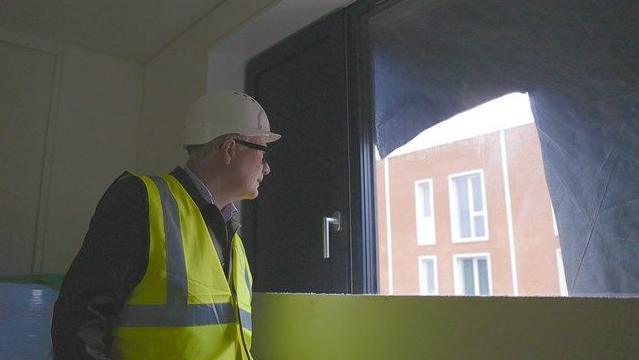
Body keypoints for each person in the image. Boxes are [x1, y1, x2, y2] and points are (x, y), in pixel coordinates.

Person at [52, 90, 281, 359]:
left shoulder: (235, 242)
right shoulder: (140, 201)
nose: (266, 168)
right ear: (230, 148)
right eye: (263, 154)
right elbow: (79, 320)